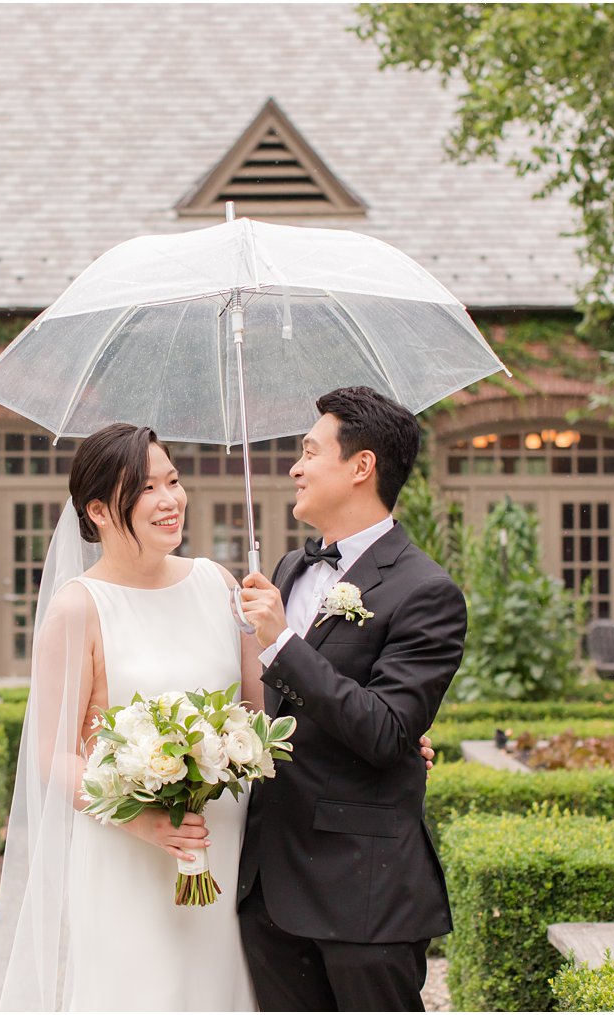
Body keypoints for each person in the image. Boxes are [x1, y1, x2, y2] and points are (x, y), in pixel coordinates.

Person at [0, 421, 437, 1012]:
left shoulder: (216, 584)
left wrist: (392, 738)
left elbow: (265, 710)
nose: (169, 500)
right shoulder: (78, 608)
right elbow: (51, 755)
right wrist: (143, 821)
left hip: (231, 854)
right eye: (145, 489)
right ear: (96, 510)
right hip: (132, 855)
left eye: (172, 480)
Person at [237, 386, 467, 1012]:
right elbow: (282, 715)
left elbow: (387, 730)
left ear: (361, 466)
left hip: (362, 891)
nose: (295, 466)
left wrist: (282, 642)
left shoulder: (426, 591)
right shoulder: (287, 570)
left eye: (310, 451)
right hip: (268, 884)